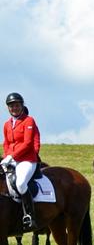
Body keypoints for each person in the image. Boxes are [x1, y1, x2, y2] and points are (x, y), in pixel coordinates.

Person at [2, 92, 41, 231]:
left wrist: (12, 156)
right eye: (11, 106)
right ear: (8, 108)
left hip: (27, 160)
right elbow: (6, 143)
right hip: (11, 159)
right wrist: (6, 157)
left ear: (22, 106)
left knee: (20, 183)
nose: (14, 108)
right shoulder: (6, 124)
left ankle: (29, 215)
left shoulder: (29, 121)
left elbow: (28, 143)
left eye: (17, 105)